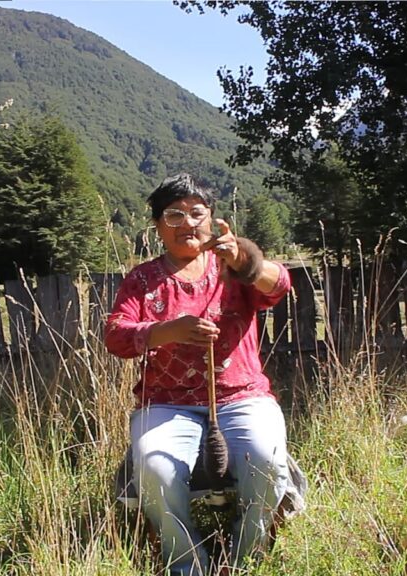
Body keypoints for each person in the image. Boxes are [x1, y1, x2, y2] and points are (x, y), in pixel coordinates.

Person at [105, 173, 295, 575]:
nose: (187, 223)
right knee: (155, 468)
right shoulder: (142, 280)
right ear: (158, 226)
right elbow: (116, 338)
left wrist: (245, 262)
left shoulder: (233, 266)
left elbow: (279, 285)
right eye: (174, 215)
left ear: (211, 219)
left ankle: (244, 559)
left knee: (267, 460)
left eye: (196, 213)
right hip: (166, 403)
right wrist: (167, 331)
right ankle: (187, 563)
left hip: (243, 396)